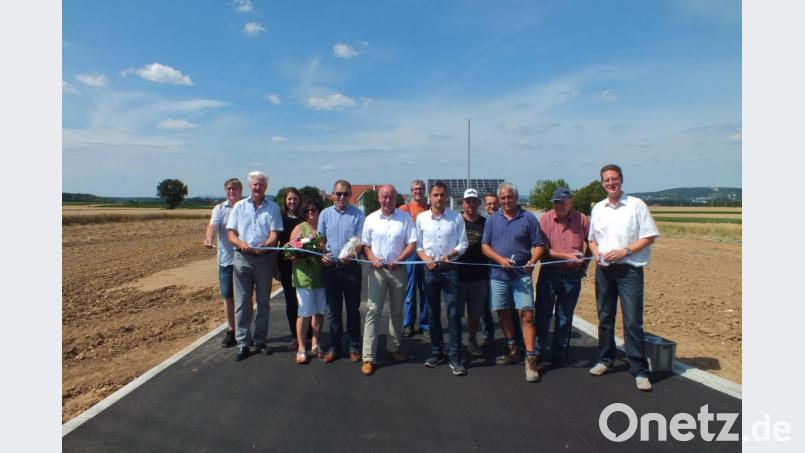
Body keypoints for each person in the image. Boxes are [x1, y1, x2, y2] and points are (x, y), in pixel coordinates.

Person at [587, 164, 659, 392]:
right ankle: (605, 360)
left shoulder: (636, 205)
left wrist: (625, 251)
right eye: (606, 180)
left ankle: (639, 370)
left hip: (629, 271)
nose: (611, 183)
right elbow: (591, 240)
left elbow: (649, 237)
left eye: (614, 179)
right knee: (605, 318)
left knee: (632, 321)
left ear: (621, 180)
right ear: (602, 183)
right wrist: (596, 254)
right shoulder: (598, 208)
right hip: (605, 272)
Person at [481, 182, 545, 382]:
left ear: (516, 198)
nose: (506, 201)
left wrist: (533, 261)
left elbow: (539, 245)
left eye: (510, 197)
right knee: (503, 312)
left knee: (527, 315)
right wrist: (500, 260)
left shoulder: (528, 218)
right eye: (503, 198)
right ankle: (512, 349)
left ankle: (531, 359)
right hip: (498, 276)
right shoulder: (492, 220)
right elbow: (485, 246)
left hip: (521, 276)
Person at [226, 171, 283, 361]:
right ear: (249, 186)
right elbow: (231, 234)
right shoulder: (239, 207)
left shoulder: (273, 207)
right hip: (242, 259)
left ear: (265, 187)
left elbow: (275, 233)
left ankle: (260, 340)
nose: (257, 187)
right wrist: (240, 244)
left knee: (264, 303)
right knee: (242, 303)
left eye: (261, 184)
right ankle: (243, 342)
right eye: (254, 184)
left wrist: (266, 245)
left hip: (264, 259)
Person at [360, 185, 417, 375]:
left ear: (395, 199)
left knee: (397, 311)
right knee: (373, 311)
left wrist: (400, 259)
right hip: (377, 271)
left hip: (398, 270)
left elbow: (412, 243)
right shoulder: (370, 219)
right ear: (378, 198)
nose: (387, 200)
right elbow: (366, 245)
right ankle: (368, 357)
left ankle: (394, 347)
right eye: (384, 197)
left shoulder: (405, 218)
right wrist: (372, 258)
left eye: (390, 197)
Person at [416, 181, 469, 376]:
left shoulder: (456, 217)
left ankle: (455, 357)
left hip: (450, 270)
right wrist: (425, 259)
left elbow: (463, 244)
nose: (439, 198)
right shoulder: (421, 218)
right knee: (432, 313)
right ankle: (437, 352)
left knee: (454, 314)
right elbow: (419, 246)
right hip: (429, 270)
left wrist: (450, 256)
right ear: (430, 196)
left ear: (447, 197)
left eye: (442, 195)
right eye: (436, 195)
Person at [535, 187, 591, 365]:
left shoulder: (581, 219)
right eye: (555, 202)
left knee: (564, 317)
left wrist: (585, 265)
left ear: (570, 203)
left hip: (572, 276)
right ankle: (537, 353)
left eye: (562, 202)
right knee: (542, 316)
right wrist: (567, 256)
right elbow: (544, 249)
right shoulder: (545, 220)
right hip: (549, 274)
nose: (558, 205)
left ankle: (559, 355)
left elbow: (591, 243)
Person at [318, 180, 365, 363]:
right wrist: (322, 254)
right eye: (338, 194)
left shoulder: (359, 215)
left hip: (351, 268)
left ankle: (354, 346)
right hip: (331, 268)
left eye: (345, 194)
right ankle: (334, 347)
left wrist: (351, 254)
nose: (342, 197)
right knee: (333, 311)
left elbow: (360, 241)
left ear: (350, 195)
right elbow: (321, 240)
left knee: (353, 310)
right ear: (332, 194)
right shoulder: (325, 214)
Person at [481, 192, 524, 350]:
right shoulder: (484, 222)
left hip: (503, 271)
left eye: (494, 203)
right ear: (484, 206)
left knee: (510, 307)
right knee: (487, 306)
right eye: (488, 204)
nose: (492, 206)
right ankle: (488, 335)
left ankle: (517, 340)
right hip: (483, 271)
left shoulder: (503, 221)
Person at [203, 178, 243, 348]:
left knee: (244, 297)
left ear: (241, 190)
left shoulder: (246, 207)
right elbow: (213, 225)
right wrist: (209, 237)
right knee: (228, 296)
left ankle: (245, 330)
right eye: (228, 188)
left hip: (245, 259)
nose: (231, 191)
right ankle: (232, 330)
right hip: (226, 260)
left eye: (235, 188)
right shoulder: (219, 209)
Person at [288, 200, 327, 364]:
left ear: (319, 211)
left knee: (319, 311)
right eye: (307, 211)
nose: (311, 213)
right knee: (304, 312)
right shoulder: (299, 228)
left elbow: (326, 248)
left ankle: (315, 343)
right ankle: (302, 347)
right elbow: (289, 252)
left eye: (314, 209)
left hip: (321, 275)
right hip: (304, 276)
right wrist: (298, 252)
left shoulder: (323, 227)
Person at [456, 189, 489, 358]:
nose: (471, 204)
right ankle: (455, 343)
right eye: (468, 201)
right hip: (458, 275)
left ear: (478, 203)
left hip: (479, 276)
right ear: (463, 202)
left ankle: (471, 339)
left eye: (474, 201)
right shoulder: (456, 221)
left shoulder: (485, 222)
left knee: (475, 313)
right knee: (456, 312)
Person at [399, 179, 431, 338]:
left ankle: (425, 323)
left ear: (424, 191)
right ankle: (408, 324)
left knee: (425, 289)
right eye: (415, 189)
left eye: (421, 189)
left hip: (425, 252)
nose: (418, 191)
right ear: (411, 191)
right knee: (410, 290)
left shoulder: (429, 209)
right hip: (410, 252)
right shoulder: (404, 209)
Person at [276, 188, 304, 352]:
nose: (292, 202)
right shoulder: (280, 219)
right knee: (291, 301)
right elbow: (276, 245)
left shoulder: (304, 218)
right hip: (285, 264)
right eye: (289, 199)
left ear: (299, 200)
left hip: (303, 265)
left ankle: (306, 335)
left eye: (295, 199)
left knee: (304, 300)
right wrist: (275, 268)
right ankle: (295, 336)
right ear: (285, 201)